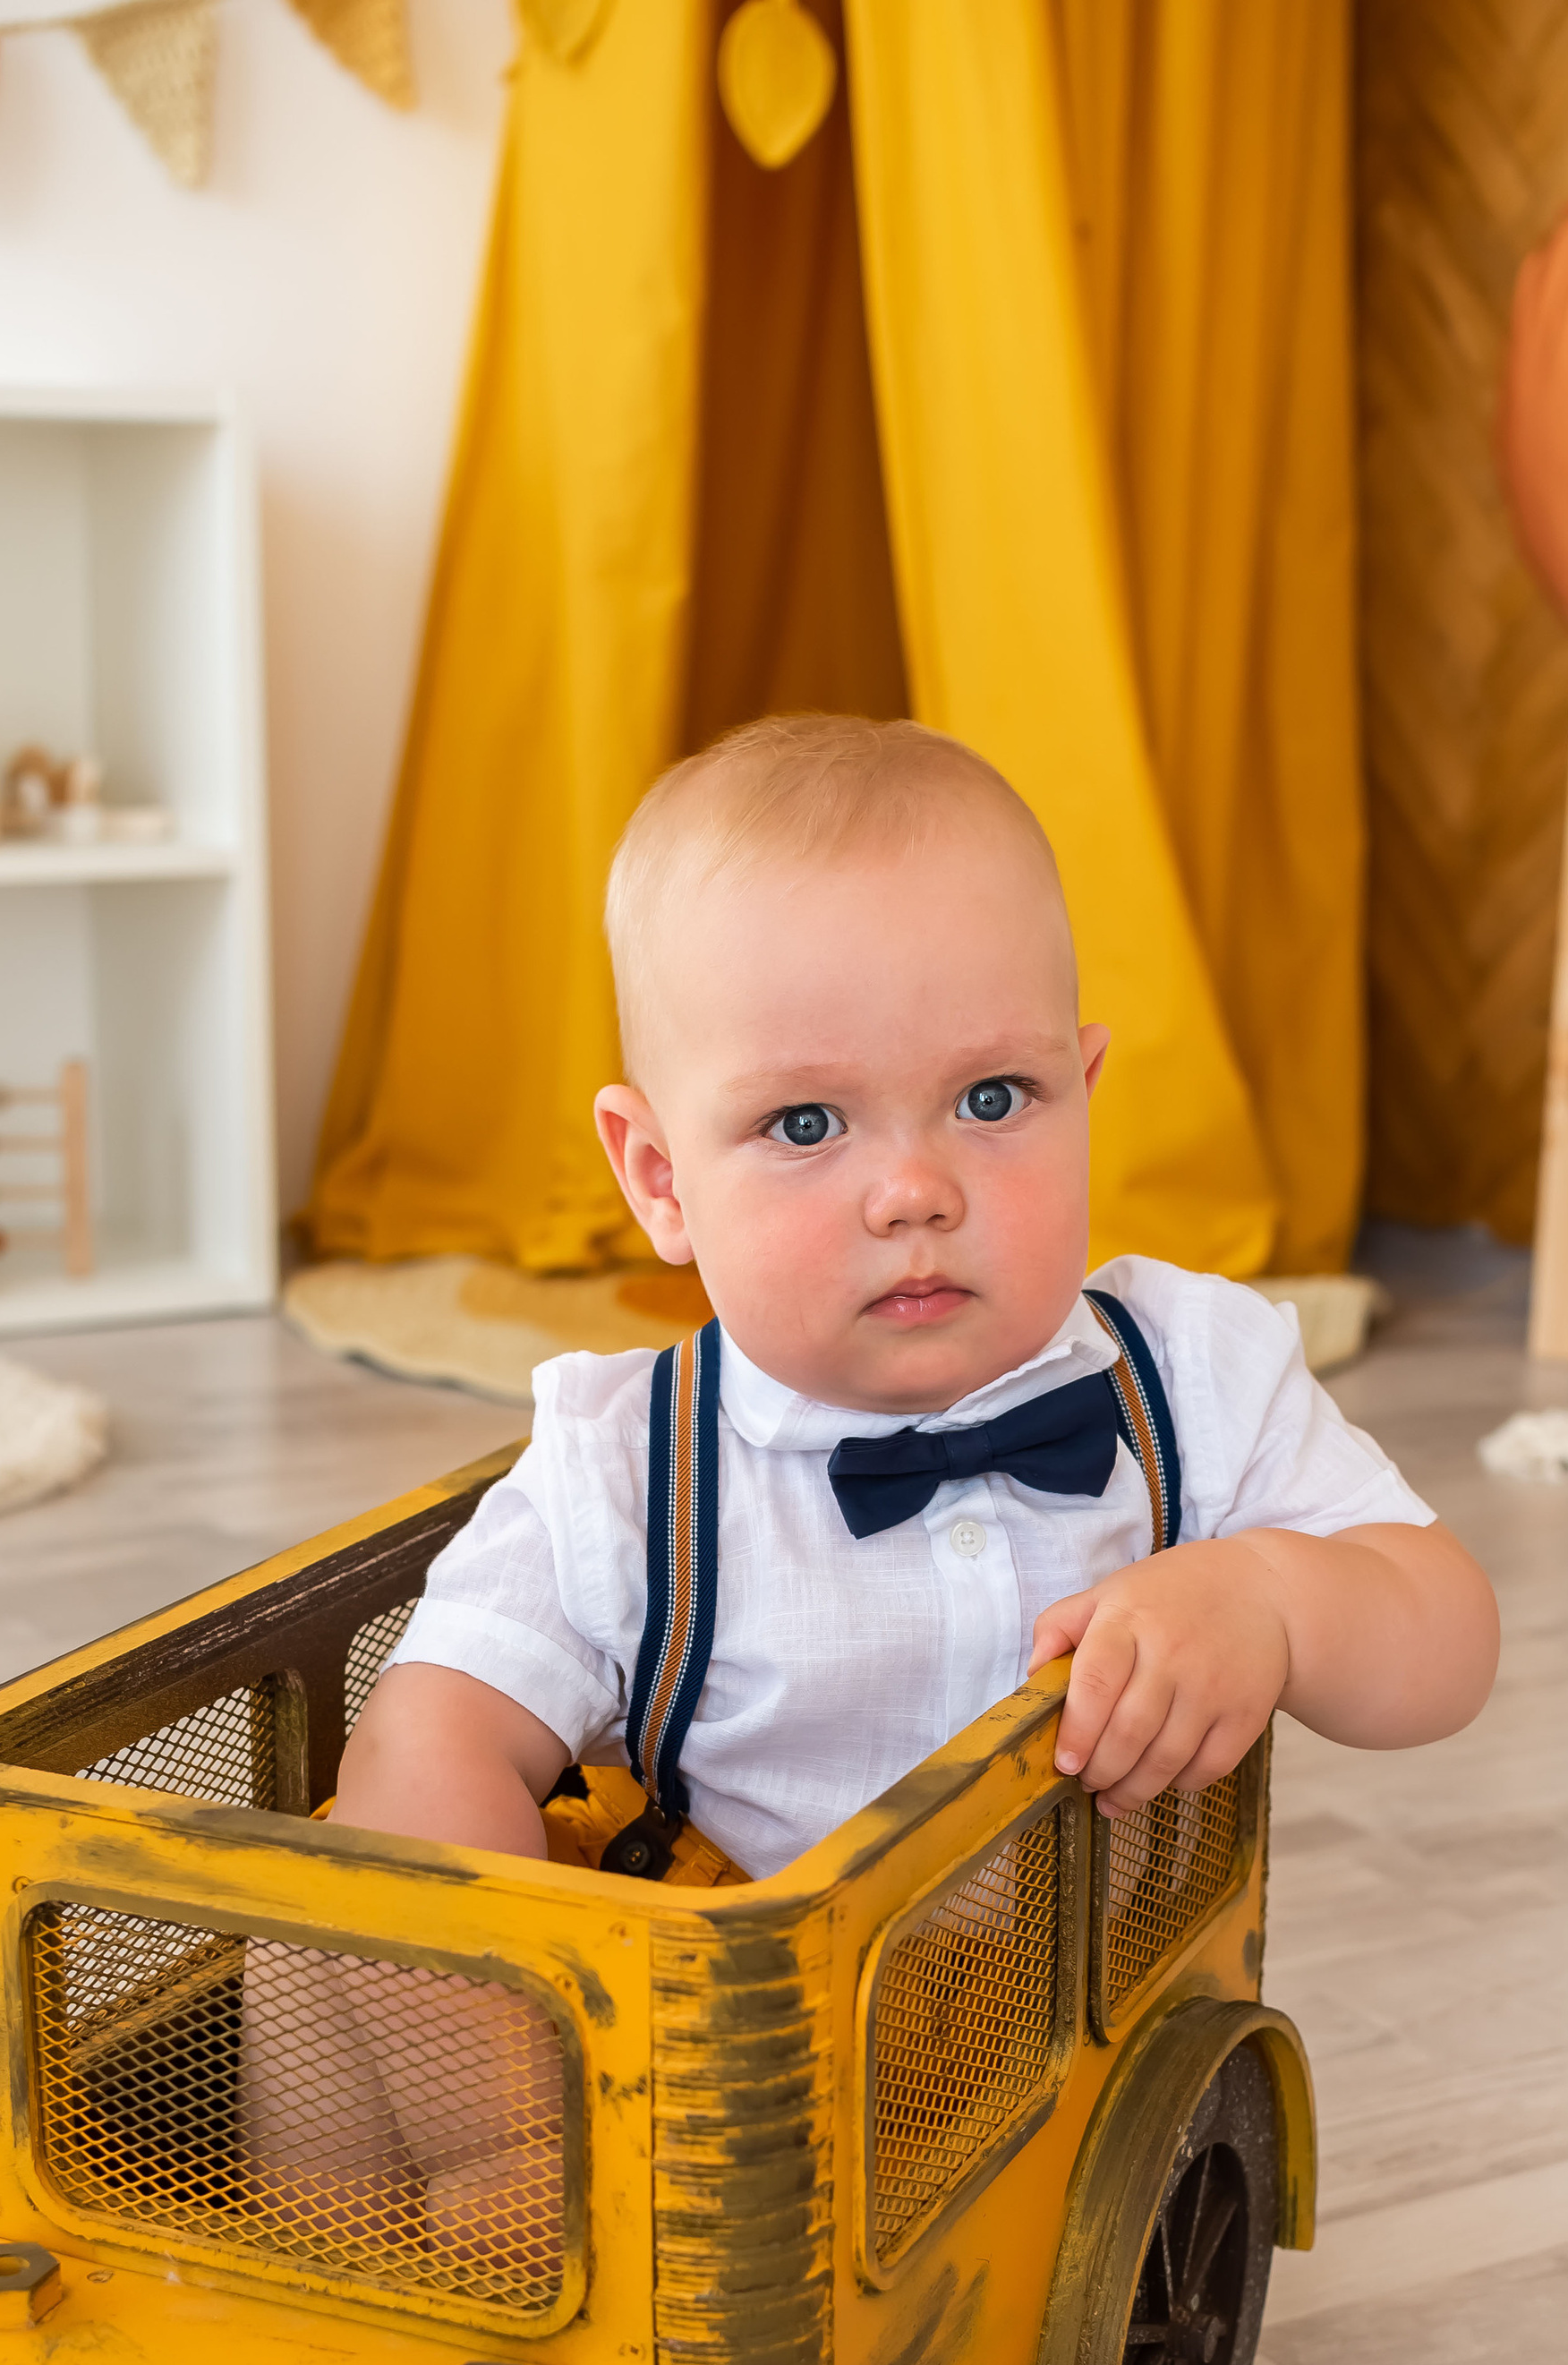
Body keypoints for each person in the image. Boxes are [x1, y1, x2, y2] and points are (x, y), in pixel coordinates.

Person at [255, 718, 1497, 2247]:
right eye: (805, 1124)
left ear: (1086, 1090)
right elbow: (428, 1742)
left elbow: (1448, 1639)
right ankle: (363, 2272)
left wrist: (1275, 1596)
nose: (915, 1189)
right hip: (725, 2040)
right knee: (316, 1923)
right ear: (659, 1180)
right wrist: (516, 2119)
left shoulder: (1193, 1375)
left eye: (992, 1099)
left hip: (1059, 2013)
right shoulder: (627, 1463)